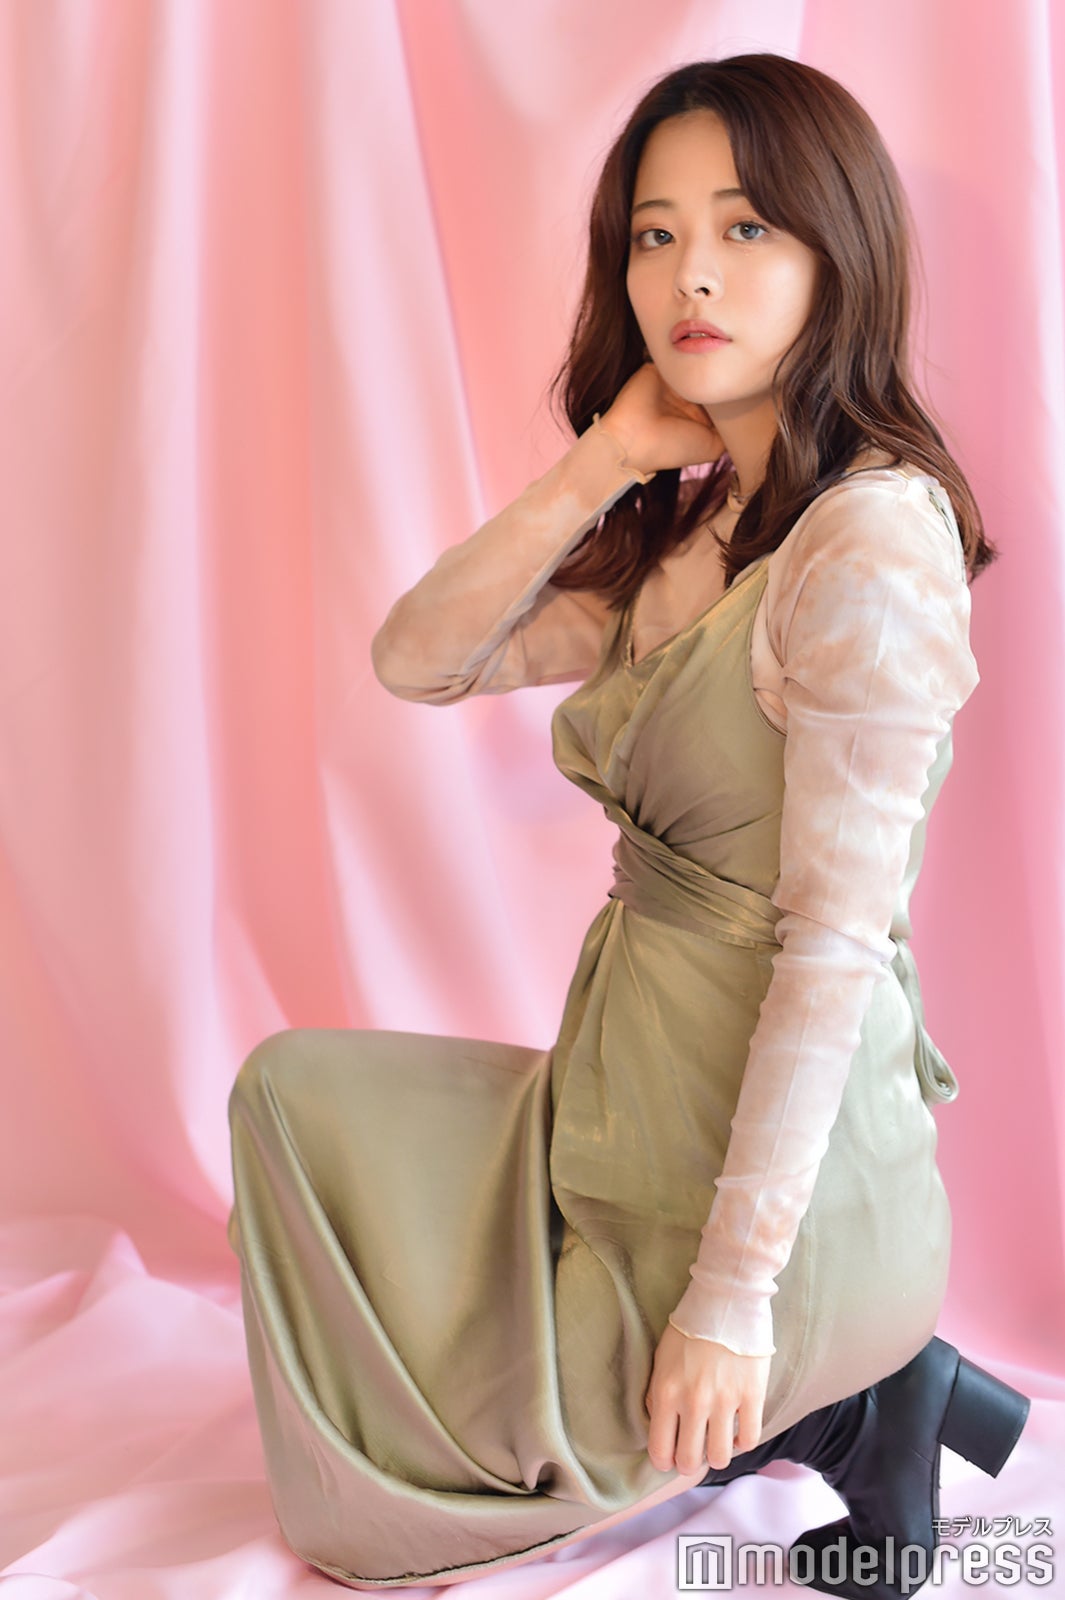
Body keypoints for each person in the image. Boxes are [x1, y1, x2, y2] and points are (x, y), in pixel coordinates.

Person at [226, 52, 1031, 1595]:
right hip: (622, 1091)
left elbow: (828, 955)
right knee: (291, 1099)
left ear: (838, 252)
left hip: (773, 1172)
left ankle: (852, 1385)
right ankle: (865, 1405)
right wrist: (604, 458)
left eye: (743, 228)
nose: (689, 276)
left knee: (408, 1507)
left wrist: (730, 1301)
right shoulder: (695, 524)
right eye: (654, 236)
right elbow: (419, 657)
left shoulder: (866, 547)